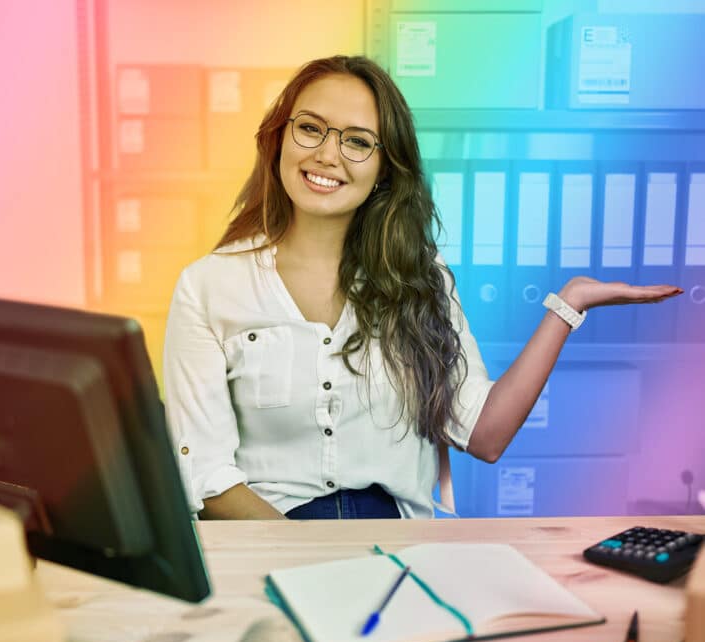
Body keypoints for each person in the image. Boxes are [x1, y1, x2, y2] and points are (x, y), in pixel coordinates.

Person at [163, 55, 681, 521]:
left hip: (396, 551)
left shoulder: (420, 279)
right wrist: (305, 562)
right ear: (279, 137)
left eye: (357, 140)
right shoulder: (209, 286)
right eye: (311, 129)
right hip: (267, 544)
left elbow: (486, 433)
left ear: (385, 169)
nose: (327, 154)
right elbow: (206, 477)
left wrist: (566, 307)